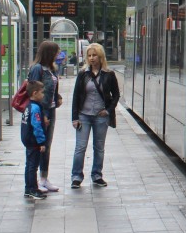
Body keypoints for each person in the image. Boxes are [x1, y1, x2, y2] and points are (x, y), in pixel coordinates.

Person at [71, 42, 120, 189]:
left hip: (101, 116)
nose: (92, 58)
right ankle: (76, 176)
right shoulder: (83, 74)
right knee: (80, 147)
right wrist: (75, 117)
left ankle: (97, 175)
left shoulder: (109, 75)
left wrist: (109, 110)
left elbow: (116, 95)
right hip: (84, 115)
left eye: (95, 55)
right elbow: (75, 96)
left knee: (99, 147)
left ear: (101, 57)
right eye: (89, 55)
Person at [28, 41, 63, 192]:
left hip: (51, 108)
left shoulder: (52, 69)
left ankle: (44, 177)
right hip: (42, 111)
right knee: (40, 145)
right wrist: (42, 114)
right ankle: (35, 180)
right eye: (56, 52)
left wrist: (58, 96)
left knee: (47, 145)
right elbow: (34, 91)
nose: (58, 55)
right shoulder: (37, 69)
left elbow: (51, 87)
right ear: (49, 53)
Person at [21, 80, 49, 200]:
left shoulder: (28, 106)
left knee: (29, 164)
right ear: (35, 93)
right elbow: (36, 125)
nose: (43, 95)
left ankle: (29, 187)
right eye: (42, 93)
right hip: (33, 141)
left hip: (27, 139)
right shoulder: (36, 108)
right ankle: (32, 188)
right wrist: (41, 142)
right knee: (33, 165)